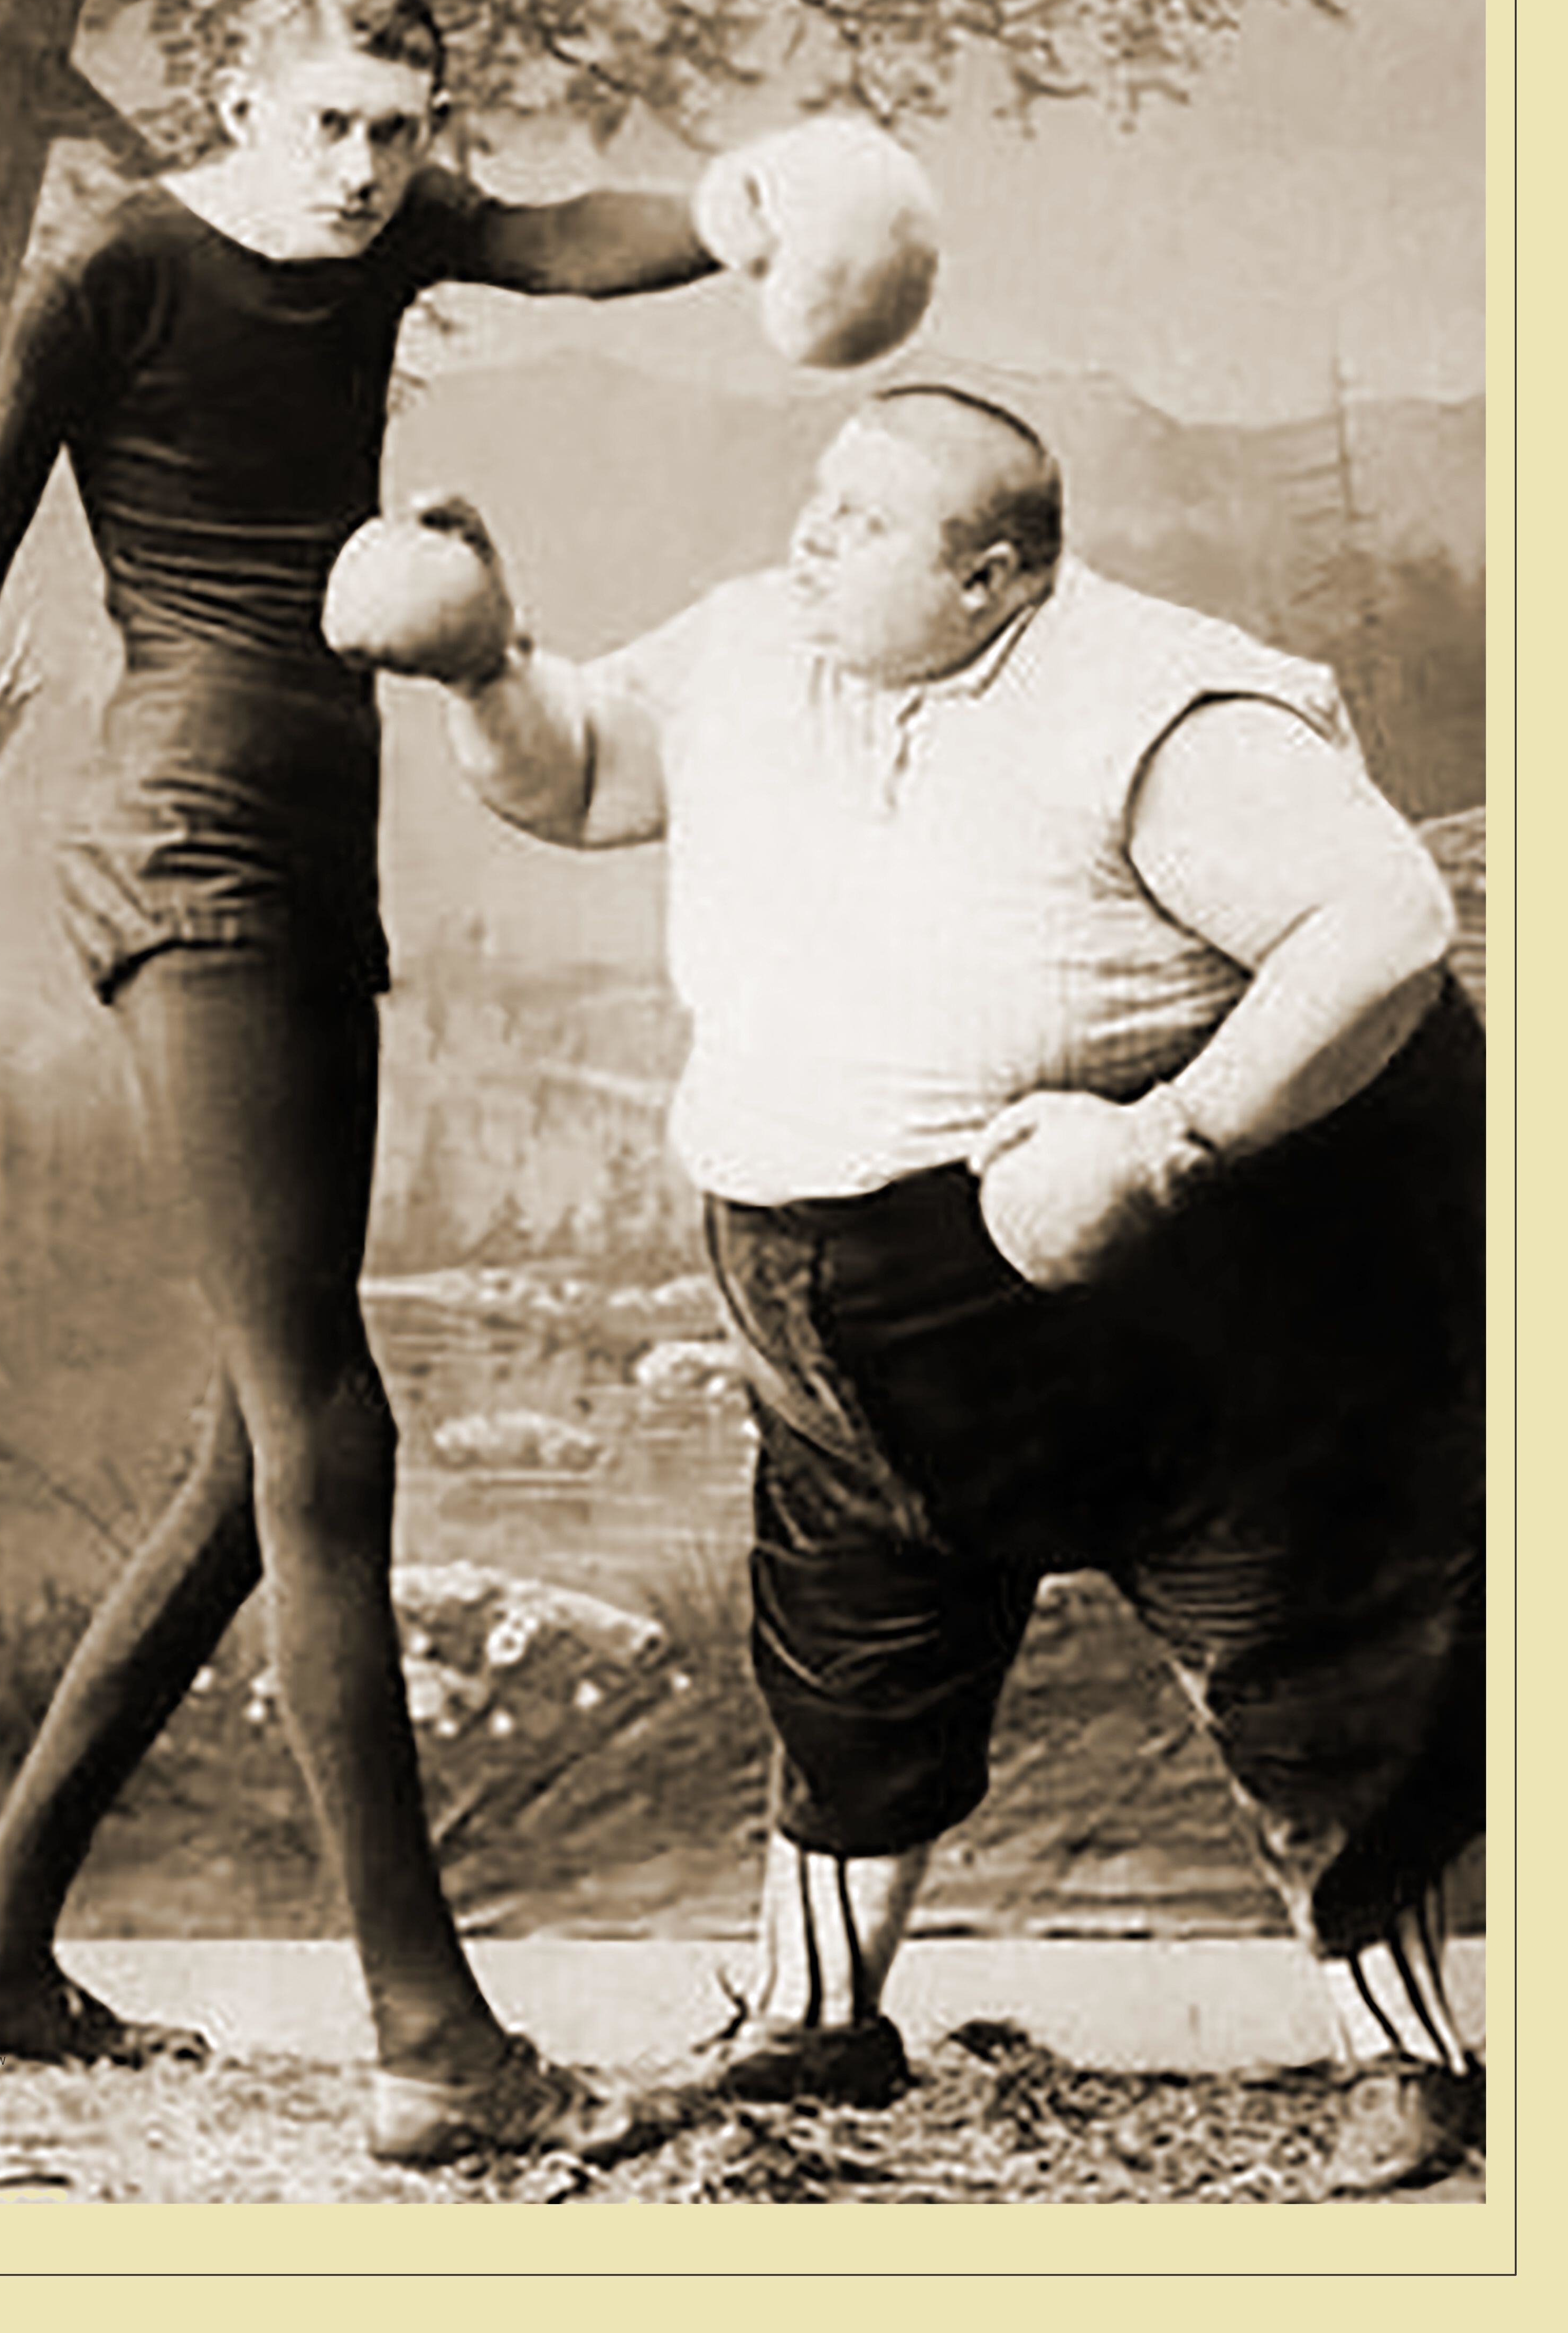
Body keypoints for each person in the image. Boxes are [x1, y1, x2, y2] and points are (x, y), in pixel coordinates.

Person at [0, 0, 756, 2164]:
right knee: (329, 1423)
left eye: (397, 128)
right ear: (232, 98)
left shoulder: (403, 218)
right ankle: (434, 2033)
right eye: (323, 122)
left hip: (314, 847)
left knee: (255, 1439)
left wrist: (752, 207)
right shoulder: (119, 266)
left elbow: (564, 241)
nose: (363, 169)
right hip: (182, 839)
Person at [390, 382, 1486, 2193]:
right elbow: (582, 776)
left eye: (862, 523)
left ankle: (1407, 2056)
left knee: (1304, 1650)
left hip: (1166, 1299)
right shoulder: (761, 641)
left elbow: (1382, 924)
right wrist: (486, 668)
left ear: (994, 578)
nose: (807, 537)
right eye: (818, 500)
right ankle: (814, 2019)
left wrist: (1168, 1145)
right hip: (841, 1316)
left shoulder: (1160, 708)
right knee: (852, 1653)